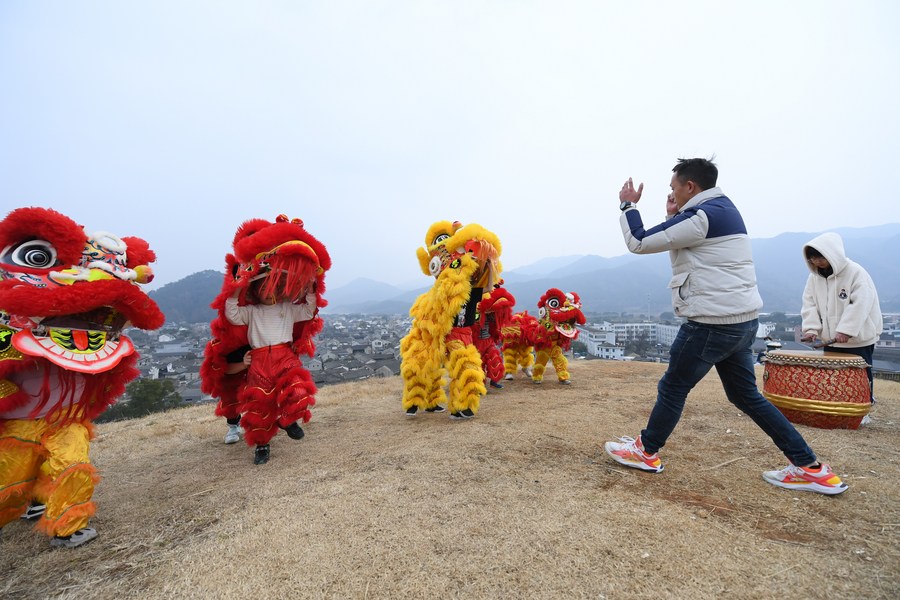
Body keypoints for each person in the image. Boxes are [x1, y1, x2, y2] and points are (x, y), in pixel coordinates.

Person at [603, 158, 848, 495]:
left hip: (711, 324)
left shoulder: (701, 216)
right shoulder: (724, 209)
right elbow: (687, 245)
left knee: (673, 387)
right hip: (743, 322)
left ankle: (646, 451)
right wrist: (673, 215)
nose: (671, 193)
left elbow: (639, 241)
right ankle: (811, 467)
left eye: (674, 187)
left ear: (690, 186)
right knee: (746, 396)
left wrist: (628, 206)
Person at [225, 277, 317, 464]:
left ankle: (286, 421)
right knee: (260, 406)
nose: (267, 292)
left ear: (278, 289)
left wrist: (310, 289)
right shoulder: (251, 311)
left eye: (271, 287)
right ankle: (262, 446)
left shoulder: (288, 308)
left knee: (299, 391)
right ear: (255, 292)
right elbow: (232, 313)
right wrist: (238, 287)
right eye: (263, 288)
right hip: (259, 361)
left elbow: (308, 311)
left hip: (285, 357)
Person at [800, 233, 882, 404]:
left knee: (859, 376)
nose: (817, 262)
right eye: (812, 258)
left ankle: (864, 405)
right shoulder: (814, 278)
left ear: (832, 253)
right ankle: (837, 407)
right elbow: (809, 304)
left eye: (820, 257)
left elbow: (860, 304)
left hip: (858, 340)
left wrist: (846, 330)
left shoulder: (856, 272)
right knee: (833, 377)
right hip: (831, 340)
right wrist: (811, 329)